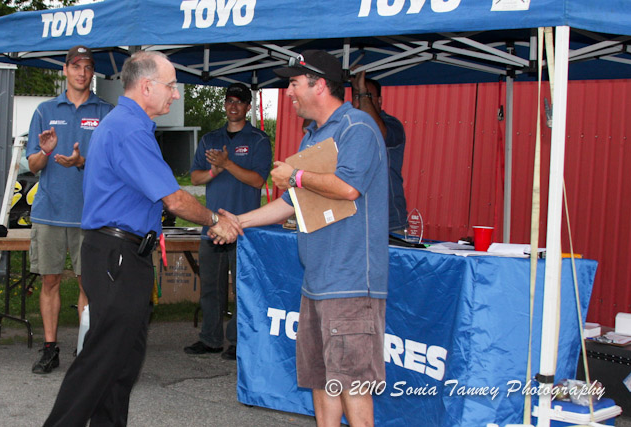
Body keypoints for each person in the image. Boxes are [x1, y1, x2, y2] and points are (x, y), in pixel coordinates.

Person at [43, 51, 242, 427]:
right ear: (147, 86)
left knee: (122, 364)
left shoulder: (129, 125)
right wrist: (216, 220)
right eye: (171, 86)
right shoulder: (129, 129)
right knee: (102, 359)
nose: (176, 94)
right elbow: (175, 199)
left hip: (124, 255)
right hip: (116, 255)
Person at [228, 50, 389, 427]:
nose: (288, 92)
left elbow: (348, 187)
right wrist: (237, 221)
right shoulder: (313, 136)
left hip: (351, 283)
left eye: (294, 83)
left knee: (352, 384)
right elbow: (290, 202)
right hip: (316, 282)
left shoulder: (357, 127)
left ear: (319, 86)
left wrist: (295, 176)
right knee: (321, 379)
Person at [26, 45, 113, 374]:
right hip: (49, 212)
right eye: (76, 66)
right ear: (65, 70)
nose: (82, 72)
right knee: (49, 281)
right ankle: (50, 349)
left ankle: (85, 349)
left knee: (87, 284)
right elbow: (33, 165)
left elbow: (113, 164)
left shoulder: (106, 111)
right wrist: (46, 151)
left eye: (88, 67)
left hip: (90, 214)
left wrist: (81, 161)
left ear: (93, 72)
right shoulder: (45, 110)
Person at [184, 83, 272, 360]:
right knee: (210, 287)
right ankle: (210, 339)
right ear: (224, 104)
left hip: (244, 228)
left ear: (248, 107)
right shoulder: (210, 139)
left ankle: (238, 342)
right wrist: (215, 169)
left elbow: (258, 180)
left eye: (239, 101)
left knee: (242, 288)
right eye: (229, 101)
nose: (233, 106)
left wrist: (228, 164)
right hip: (213, 227)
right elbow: (195, 177)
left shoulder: (258, 140)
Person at [350, 70, 408, 232]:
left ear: (380, 100)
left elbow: (376, 132)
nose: (360, 101)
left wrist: (362, 91)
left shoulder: (391, 125)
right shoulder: (350, 126)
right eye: (356, 96)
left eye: (367, 96)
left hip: (388, 221)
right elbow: (308, 128)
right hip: (356, 220)